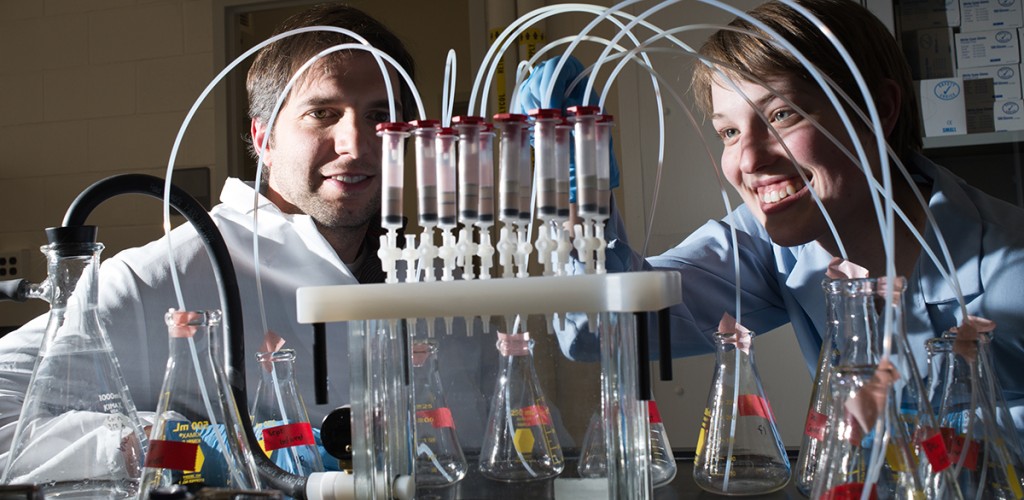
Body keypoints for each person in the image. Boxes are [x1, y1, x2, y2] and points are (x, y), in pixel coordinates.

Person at [0, 3, 492, 466]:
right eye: (322, 113)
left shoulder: (435, 283)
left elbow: (510, 438)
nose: (356, 142)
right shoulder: (164, 277)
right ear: (263, 138)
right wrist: (181, 449)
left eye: (379, 117)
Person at [518, 0, 1024, 437]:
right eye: (729, 132)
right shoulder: (773, 245)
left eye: (782, 115)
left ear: (879, 109)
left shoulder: (1011, 269)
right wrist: (580, 195)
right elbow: (606, 330)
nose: (749, 160)